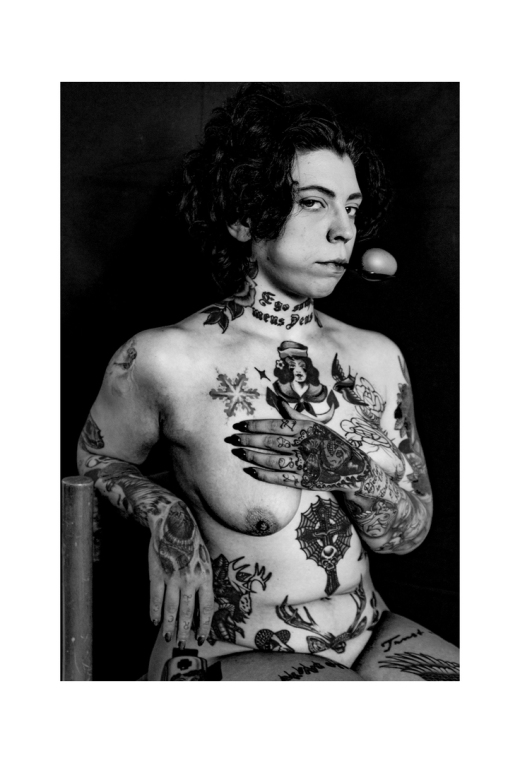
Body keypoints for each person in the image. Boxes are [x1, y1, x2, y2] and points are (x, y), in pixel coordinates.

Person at [77, 83, 459, 681]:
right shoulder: (165, 358)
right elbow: (98, 459)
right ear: (243, 216)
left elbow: (408, 534)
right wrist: (166, 514)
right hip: (227, 650)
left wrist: (348, 469)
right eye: (313, 202)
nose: (343, 230)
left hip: (370, 631)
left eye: (352, 207)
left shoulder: (379, 357)